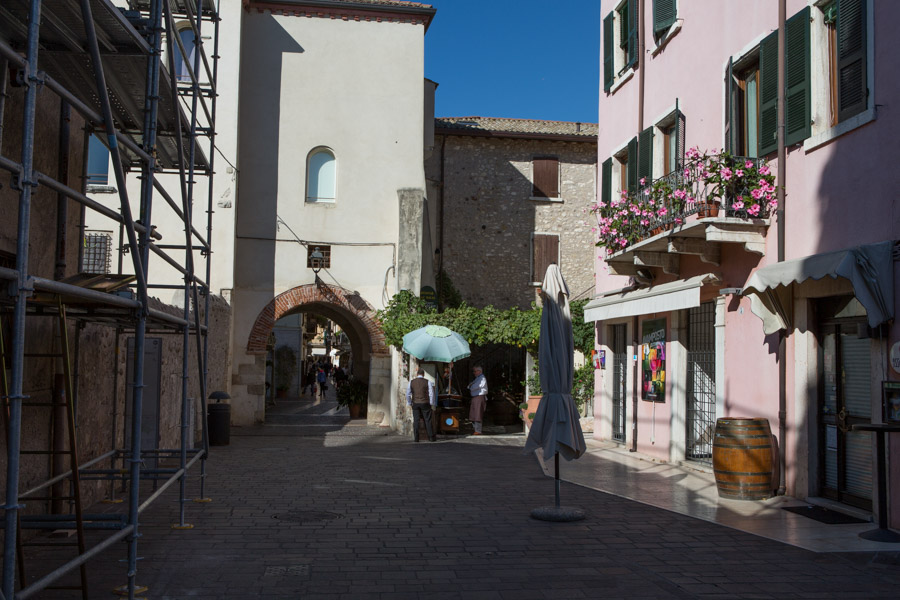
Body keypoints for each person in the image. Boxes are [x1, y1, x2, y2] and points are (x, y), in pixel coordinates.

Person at [406, 367, 436, 442]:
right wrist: (431, 403)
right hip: (425, 403)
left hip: (415, 403)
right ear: (423, 374)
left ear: (417, 374)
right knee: (427, 420)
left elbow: (408, 394)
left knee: (416, 420)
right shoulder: (427, 382)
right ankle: (431, 437)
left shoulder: (412, 382)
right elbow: (431, 393)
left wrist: (409, 402)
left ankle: (416, 438)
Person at [467, 365, 488, 435]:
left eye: (475, 371)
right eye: (474, 371)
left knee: (477, 414)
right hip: (475, 397)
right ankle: (475, 429)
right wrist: (470, 386)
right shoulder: (477, 378)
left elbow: (474, 387)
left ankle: (478, 431)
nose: (474, 373)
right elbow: (470, 386)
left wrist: (471, 386)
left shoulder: (482, 378)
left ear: (479, 371)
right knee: (473, 414)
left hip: (479, 397)